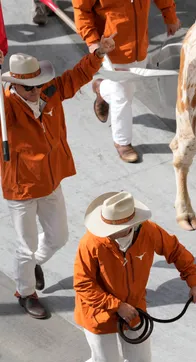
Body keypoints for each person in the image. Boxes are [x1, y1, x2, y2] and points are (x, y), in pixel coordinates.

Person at [66, 191, 196, 362]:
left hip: (135, 311)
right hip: (98, 313)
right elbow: (83, 284)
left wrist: (194, 281)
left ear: (129, 226)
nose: (105, 231)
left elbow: (176, 251)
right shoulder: (91, 243)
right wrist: (116, 305)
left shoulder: (150, 232)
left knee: (140, 361)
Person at [0, 35, 115, 319]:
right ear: (14, 84)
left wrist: (98, 53)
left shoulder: (50, 90)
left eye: (38, 84)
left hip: (51, 181)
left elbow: (78, 75)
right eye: (28, 87)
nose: (36, 90)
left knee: (59, 236)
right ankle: (25, 292)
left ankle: (34, 264)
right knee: (25, 248)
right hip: (21, 188)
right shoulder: (3, 108)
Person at [72, 0, 182, 163]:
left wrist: (170, 16)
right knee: (122, 95)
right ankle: (122, 142)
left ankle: (101, 88)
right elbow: (82, 10)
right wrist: (92, 41)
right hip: (110, 48)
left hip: (139, 46)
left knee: (128, 88)